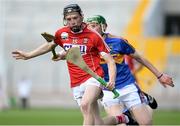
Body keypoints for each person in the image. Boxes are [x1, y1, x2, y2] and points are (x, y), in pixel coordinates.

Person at [12, 4, 135, 125]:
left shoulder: (93, 35)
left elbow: (110, 61)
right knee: (98, 123)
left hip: (93, 77)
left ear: (81, 16)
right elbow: (51, 45)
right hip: (75, 81)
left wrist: (112, 80)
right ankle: (124, 118)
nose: (72, 22)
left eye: (75, 18)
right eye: (69, 19)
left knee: (85, 105)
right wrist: (29, 55)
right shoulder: (62, 33)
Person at [86, 15, 174, 125]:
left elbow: (139, 57)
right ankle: (127, 118)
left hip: (127, 85)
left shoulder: (118, 41)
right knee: (119, 123)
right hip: (108, 89)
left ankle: (141, 101)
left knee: (146, 123)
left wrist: (160, 76)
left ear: (103, 27)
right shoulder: (86, 46)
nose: (91, 29)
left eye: (94, 26)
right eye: (88, 27)